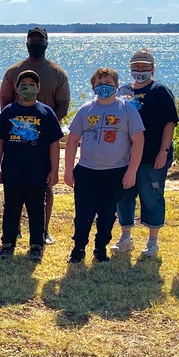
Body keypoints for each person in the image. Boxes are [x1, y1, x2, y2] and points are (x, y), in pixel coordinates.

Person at [64, 68, 144, 264]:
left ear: (116, 86)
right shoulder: (85, 110)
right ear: (93, 87)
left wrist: (131, 171)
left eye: (108, 84)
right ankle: (78, 248)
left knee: (107, 214)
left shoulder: (127, 110)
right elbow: (72, 140)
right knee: (83, 214)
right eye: (99, 84)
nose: (104, 87)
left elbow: (139, 141)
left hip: (115, 172)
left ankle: (100, 249)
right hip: (86, 171)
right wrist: (67, 170)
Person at [0, 27, 71, 245]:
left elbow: (63, 106)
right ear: (27, 42)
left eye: (40, 40)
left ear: (47, 43)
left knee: (43, 191)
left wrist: (45, 127)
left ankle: (43, 230)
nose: (36, 44)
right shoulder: (14, 71)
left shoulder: (57, 73)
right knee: (13, 197)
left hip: (42, 143)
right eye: (32, 40)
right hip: (17, 144)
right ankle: (14, 232)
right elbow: (4, 102)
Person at [0, 70, 63, 262]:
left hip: (38, 172)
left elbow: (54, 143)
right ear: (16, 88)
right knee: (11, 208)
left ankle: (36, 245)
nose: (27, 87)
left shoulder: (46, 112)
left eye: (32, 84)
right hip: (13, 171)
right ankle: (7, 243)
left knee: (37, 208)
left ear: (38, 88)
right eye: (23, 84)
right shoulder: (9, 111)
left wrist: (54, 170)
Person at [114, 48, 178, 258]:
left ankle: (152, 242)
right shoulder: (122, 91)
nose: (140, 70)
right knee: (124, 196)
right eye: (136, 67)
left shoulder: (159, 90)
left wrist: (164, 150)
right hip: (125, 156)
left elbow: (169, 123)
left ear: (152, 68)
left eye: (144, 67)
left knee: (152, 196)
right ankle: (125, 238)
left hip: (152, 156)